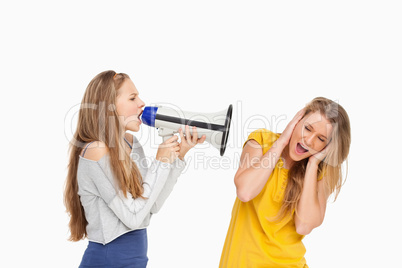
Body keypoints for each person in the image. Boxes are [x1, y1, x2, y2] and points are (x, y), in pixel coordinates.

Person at [64, 70, 206, 268]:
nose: (142, 103)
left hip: (135, 261)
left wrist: (177, 157)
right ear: (109, 106)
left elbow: (151, 206)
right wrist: (161, 163)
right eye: (133, 97)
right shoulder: (96, 150)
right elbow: (132, 218)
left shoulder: (131, 143)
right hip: (108, 261)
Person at [219, 97, 351, 268]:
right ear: (297, 121)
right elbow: (245, 191)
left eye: (320, 139)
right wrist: (281, 142)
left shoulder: (321, 172)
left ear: (327, 147)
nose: (309, 140)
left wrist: (312, 165)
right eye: (307, 128)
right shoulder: (261, 141)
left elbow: (303, 225)